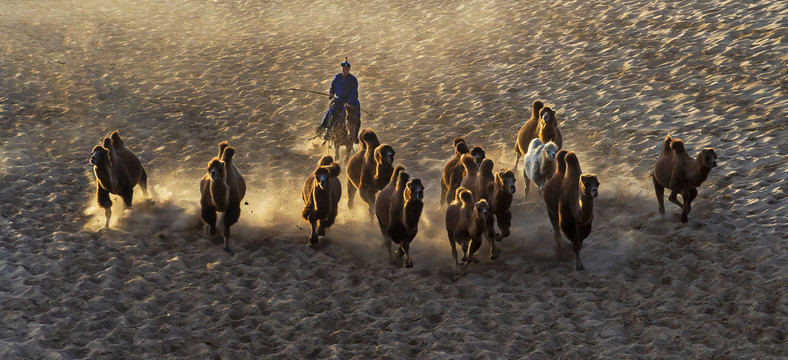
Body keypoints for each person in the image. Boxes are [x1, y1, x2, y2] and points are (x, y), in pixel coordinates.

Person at [320, 58, 361, 143]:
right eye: (343, 68)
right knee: (331, 111)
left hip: (351, 101)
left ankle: (355, 136)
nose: (344, 70)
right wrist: (331, 93)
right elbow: (332, 88)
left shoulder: (353, 79)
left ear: (349, 69)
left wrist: (349, 102)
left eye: (346, 69)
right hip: (340, 100)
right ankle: (328, 130)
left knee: (357, 116)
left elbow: (354, 92)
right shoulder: (337, 77)